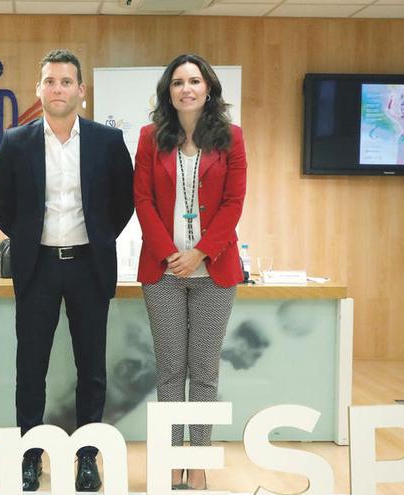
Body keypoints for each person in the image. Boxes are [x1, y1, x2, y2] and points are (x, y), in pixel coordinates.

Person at [0, 49, 134, 492]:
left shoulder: (107, 142)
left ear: (81, 91)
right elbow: (2, 206)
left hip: (89, 266)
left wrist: (100, 236)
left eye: (66, 82)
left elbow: (123, 203)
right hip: (38, 269)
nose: (58, 89)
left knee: (91, 367)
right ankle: (29, 458)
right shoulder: (16, 141)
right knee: (30, 367)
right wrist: (29, 238)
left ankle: (87, 455)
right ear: (39, 88)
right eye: (50, 81)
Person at [133, 53, 247, 490]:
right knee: (168, 370)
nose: (186, 89)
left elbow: (233, 204)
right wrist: (168, 253)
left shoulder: (231, 138)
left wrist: (199, 252)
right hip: (162, 273)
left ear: (209, 89)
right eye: (178, 82)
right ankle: (167, 460)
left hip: (214, 271)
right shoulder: (149, 138)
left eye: (194, 81)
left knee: (203, 370)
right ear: (168, 92)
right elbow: (142, 199)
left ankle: (196, 461)